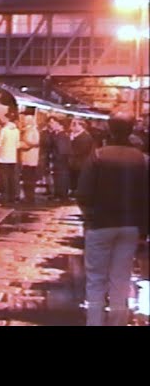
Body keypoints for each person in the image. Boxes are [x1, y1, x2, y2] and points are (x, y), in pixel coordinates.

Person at [76, 111, 149, 326]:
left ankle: (95, 322)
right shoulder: (143, 160)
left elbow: (83, 193)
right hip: (130, 227)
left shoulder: (97, 156)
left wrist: (89, 217)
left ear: (109, 128)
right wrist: (144, 230)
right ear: (132, 129)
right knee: (121, 278)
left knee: (96, 280)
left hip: (100, 225)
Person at [0, 112, 20, 205]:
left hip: (3, 158)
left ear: (7, 119)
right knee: (11, 178)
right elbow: (17, 145)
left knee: (4, 178)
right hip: (12, 158)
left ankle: (4, 198)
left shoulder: (4, 130)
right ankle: (12, 197)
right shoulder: (16, 130)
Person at [69, 118, 94, 195]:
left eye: (75, 124)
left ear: (81, 126)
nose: (72, 126)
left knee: (78, 178)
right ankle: (73, 191)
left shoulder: (86, 137)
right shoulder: (73, 136)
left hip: (81, 162)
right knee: (73, 177)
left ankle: (78, 192)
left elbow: (82, 150)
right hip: (74, 162)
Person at [18, 115, 40, 204]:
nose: (23, 121)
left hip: (31, 159)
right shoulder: (26, 130)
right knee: (26, 178)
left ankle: (30, 197)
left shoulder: (33, 130)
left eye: (25, 120)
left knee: (29, 179)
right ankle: (28, 196)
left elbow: (35, 142)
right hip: (26, 159)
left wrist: (23, 143)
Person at [50, 117, 71, 201]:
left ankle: (61, 195)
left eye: (53, 123)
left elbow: (61, 149)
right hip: (61, 160)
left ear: (60, 125)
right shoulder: (61, 135)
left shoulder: (61, 136)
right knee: (59, 176)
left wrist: (56, 157)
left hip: (60, 160)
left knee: (60, 177)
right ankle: (59, 194)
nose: (51, 125)